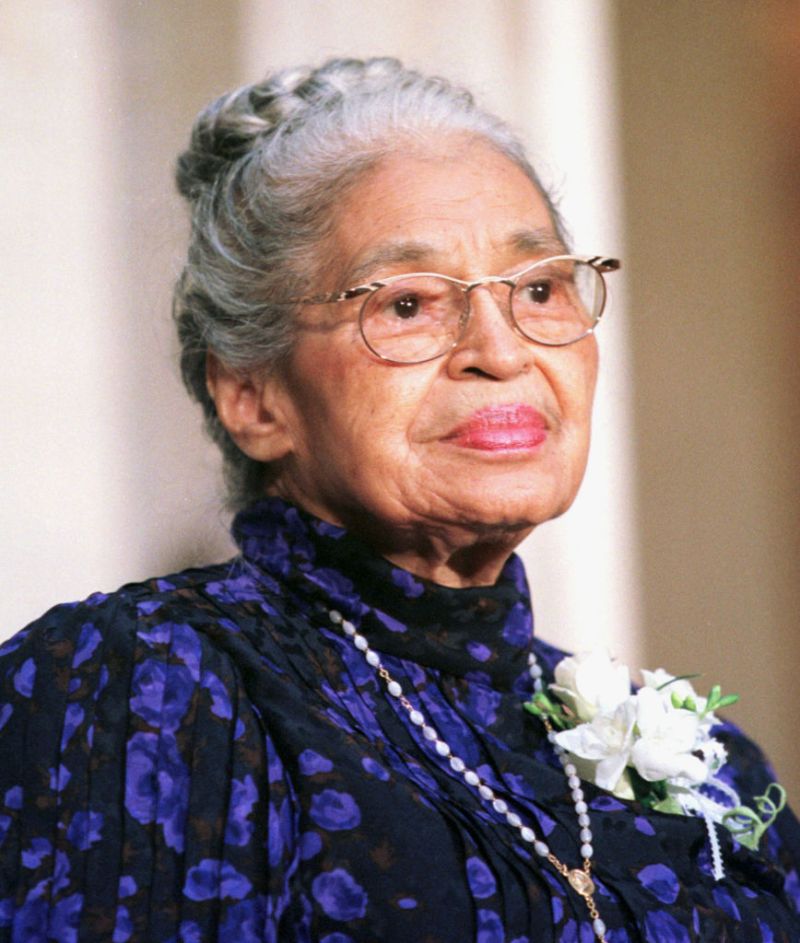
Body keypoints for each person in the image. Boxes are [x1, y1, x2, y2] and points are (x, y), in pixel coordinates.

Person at [0, 57, 798, 943]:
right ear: (253, 398)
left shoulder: (712, 767)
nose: (500, 349)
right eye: (410, 303)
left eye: (538, 288)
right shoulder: (145, 679)